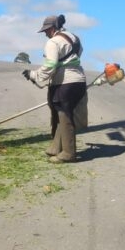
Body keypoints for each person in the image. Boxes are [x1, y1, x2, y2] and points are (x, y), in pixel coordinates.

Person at [22, 14, 87, 163]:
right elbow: (74, 57)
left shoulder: (53, 42)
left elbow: (50, 65)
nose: (45, 33)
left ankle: (68, 153)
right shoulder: (74, 38)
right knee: (60, 115)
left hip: (65, 83)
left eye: (46, 30)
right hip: (79, 81)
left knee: (64, 116)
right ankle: (55, 147)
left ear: (52, 28)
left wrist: (34, 75)